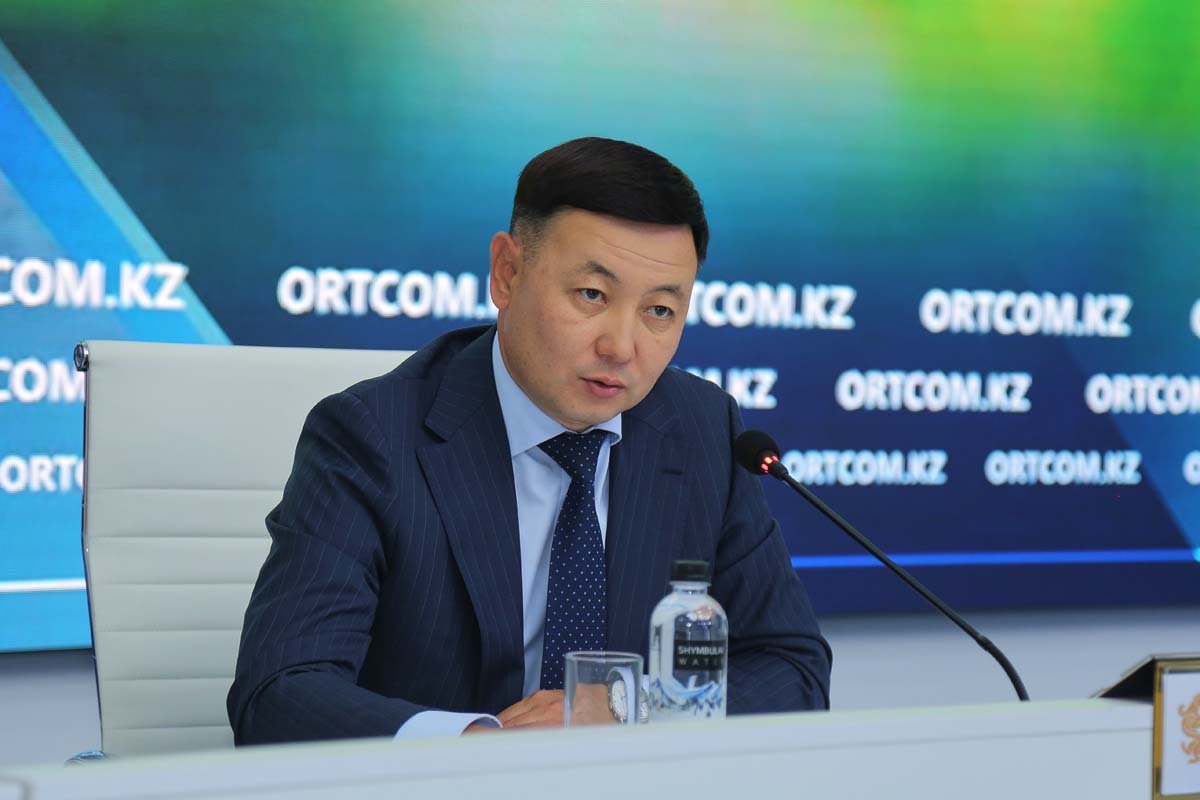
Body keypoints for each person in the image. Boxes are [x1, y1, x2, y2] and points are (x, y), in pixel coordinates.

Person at [227, 137, 831, 742]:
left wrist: (627, 706)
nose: (621, 347)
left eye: (659, 311)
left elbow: (792, 668)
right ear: (507, 273)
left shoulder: (702, 429)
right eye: (592, 295)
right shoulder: (370, 437)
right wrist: (483, 747)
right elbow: (279, 692)